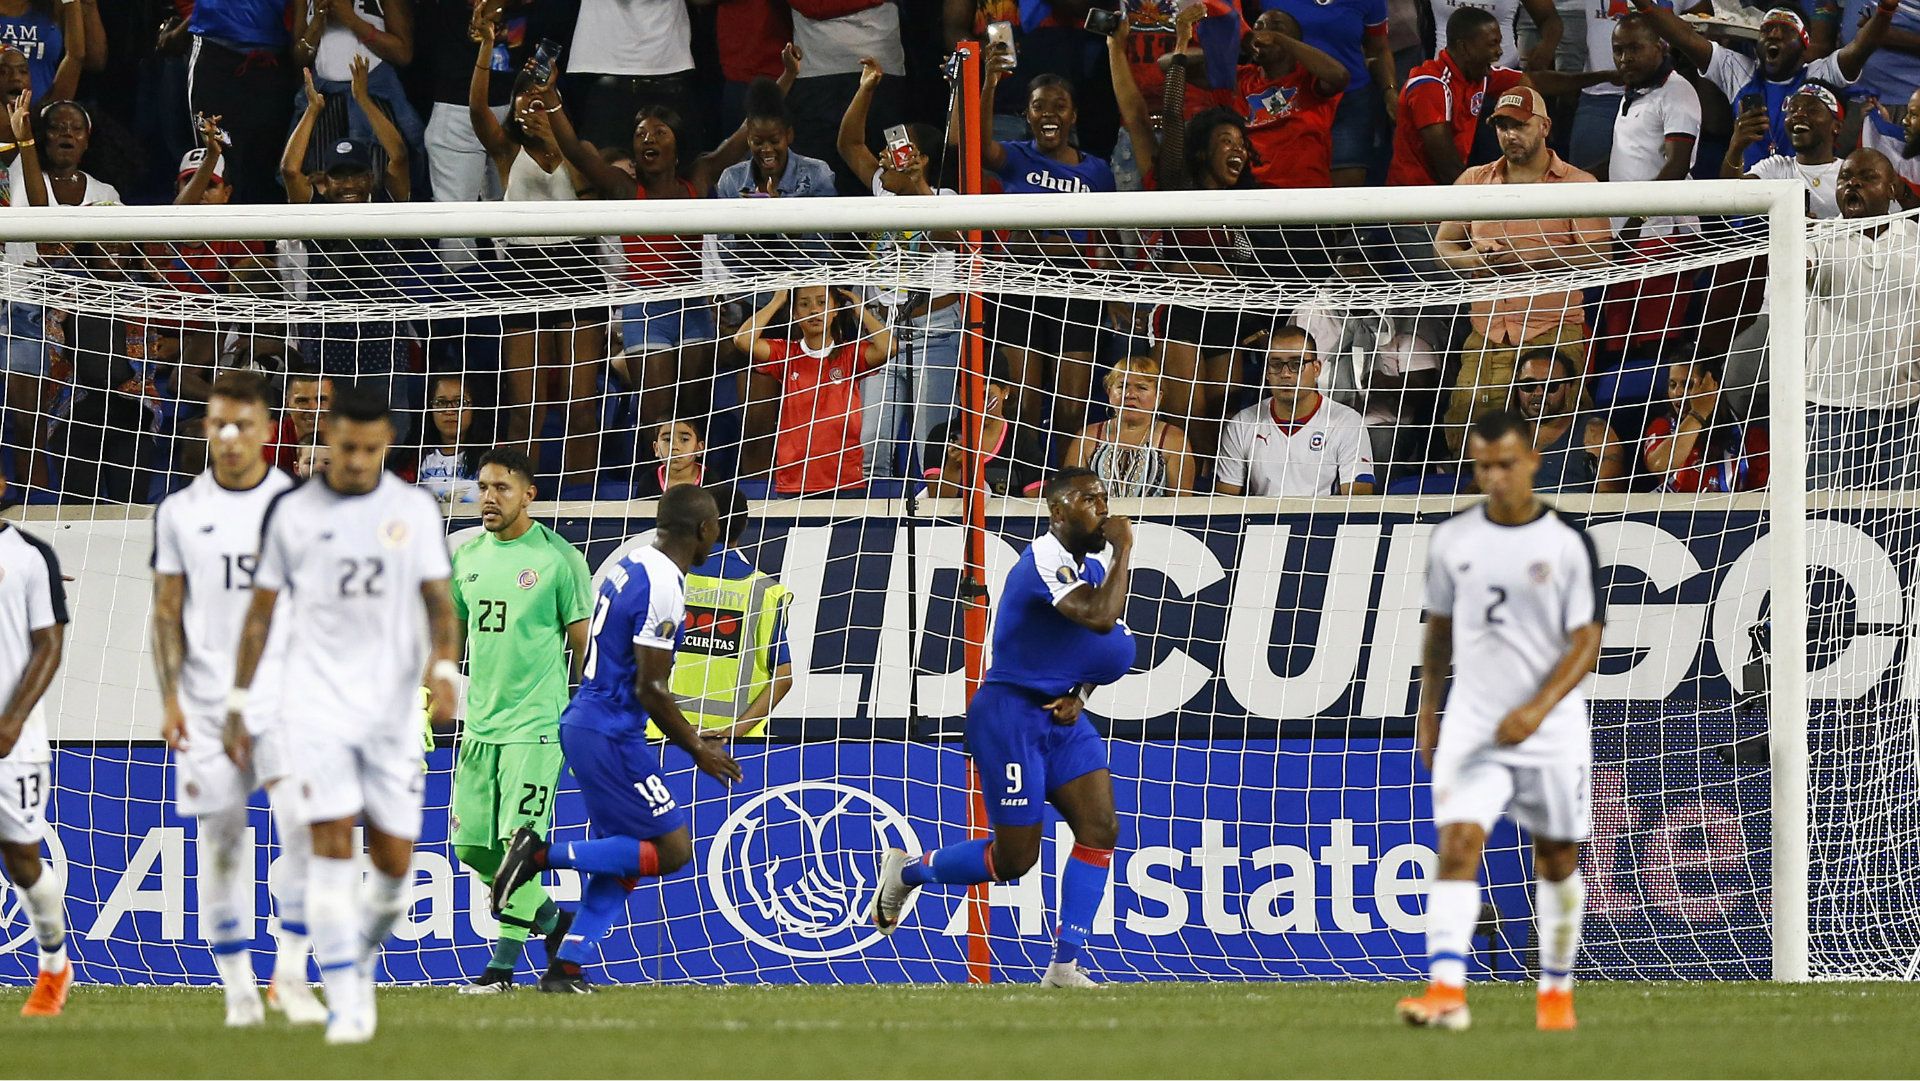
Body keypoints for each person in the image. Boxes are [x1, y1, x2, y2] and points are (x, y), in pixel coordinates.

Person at [228, 384, 460, 1044]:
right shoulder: (292, 512)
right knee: (328, 843)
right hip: (314, 705)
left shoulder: (412, 508)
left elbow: (440, 603)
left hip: (390, 709)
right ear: (327, 438)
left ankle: (356, 952)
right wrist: (242, 701)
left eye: (369, 449)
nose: (356, 460)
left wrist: (442, 668)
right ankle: (349, 994)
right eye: (346, 447)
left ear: (386, 444)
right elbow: (261, 611)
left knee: (393, 866)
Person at [869, 467, 1133, 988]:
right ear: (1059, 512)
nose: (1102, 507)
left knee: (1101, 829)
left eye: (1104, 497)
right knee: (1016, 860)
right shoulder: (1043, 560)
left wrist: (1079, 694)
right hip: (1010, 715)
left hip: (1060, 717)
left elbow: (1093, 648)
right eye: (1089, 499)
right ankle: (907, 872)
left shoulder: (1094, 563)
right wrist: (1127, 549)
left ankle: (1064, 968)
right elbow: (1101, 619)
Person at [1397, 408, 1605, 1033]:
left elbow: (1587, 642)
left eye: (1507, 465)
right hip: (1474, 723)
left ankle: (1555, 993)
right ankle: (1446, 992)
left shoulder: (1566, 543)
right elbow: (1439, 632)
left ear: (1532, 462)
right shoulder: (1453, 540)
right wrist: (1430, 710)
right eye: (1484, 466)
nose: (1495, 478)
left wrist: (1537, 709)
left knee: (1557, 856)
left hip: (1552, 728)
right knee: (1458, 845)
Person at [488, 483, 743, 993]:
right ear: (705, 529)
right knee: (672, 850)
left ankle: (567, 965)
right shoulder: (666, 584)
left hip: (589, 720)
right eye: (715, 523)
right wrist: (696, 748)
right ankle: (538, 856)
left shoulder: (631, 563)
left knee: (625, 854)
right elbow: (650, 688)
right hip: (611, 732)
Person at [149, 371, 328, 1028]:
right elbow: (166, 611)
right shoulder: (179, 512)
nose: (230, 436)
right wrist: (169, 695)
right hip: (202, 703)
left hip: (285, 697)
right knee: (221, 843)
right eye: (219, 424)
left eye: (244, 425)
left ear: (265, 430)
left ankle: (291, 970)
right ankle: (238, 988)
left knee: (307, 829)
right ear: (206, 429)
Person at [448, 446, 593, 992]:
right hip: (479, 725)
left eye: (501, 488)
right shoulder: (466, 557)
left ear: (528, 495)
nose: (488, 498)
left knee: (519, 850)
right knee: (471, 849)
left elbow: (585, 646)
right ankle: (557, 925)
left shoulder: (558, 559)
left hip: (535, 726)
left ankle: (500, 971)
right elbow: (450, 642)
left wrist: (591, 713)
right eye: (482, 487)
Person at [1434, 86, 1610, 454]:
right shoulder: (1474, 180)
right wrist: (1474, 258)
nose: (1509, 135)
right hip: (1487, 333)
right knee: (1468, 436)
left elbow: (1599, 255)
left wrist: (1533, 260)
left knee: (1557, 442)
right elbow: (1443, 246)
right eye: (1501, 126)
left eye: (1519, 125)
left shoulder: (1579, 184)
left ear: (1544, 127)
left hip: (1552, 331)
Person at [467, 21, 603, 483]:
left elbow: (592, 195)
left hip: (578, 267)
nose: (530, 103)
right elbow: (476, 109)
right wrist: (487, 47)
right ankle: (520, 494)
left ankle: (585, 504)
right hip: (523, 272)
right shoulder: (507, 150)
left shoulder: (578, 150)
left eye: (539, 96)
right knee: (527, 405)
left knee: (581, 403)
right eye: (524, 96)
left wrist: (554, 139)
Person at [973, 43, 1115, 437]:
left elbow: (1109, 237)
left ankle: (1066, 478)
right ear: (1027, 115)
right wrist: (990, 82)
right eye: (1038, 105)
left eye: (1059, 105)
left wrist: (1116, 290)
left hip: (1076, 286)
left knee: (1073, 403)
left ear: (1073, 115)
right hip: (1019, 282)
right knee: (1023, 398)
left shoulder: (1098, 171)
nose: (1049, 112)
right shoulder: (1016, 156)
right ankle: (1025, 479)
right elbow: (980, 145)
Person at [837, 57, 964, 480]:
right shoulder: (881, 190)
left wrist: (918, 188)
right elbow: (848, 145)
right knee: (871, 448)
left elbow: (953, 243)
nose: (887, 153)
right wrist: (867, 87)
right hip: (884, 329)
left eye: (900, 148)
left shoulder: (944, 196)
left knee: (933, 450)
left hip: (937, 329)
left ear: (921, 158)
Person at [1627, 0, 1892, 172]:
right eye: (1767, 29)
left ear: (1804, 45)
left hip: (1803, 201)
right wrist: (1646, 7)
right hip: (1748, 201)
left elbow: (1860, 48)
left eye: (1786, 30)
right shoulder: (1740, 71)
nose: (1774, 34)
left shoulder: (1820, 73)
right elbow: (1685, 36)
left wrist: (1885, 11)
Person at [1804, 147, 1920, 490]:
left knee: (1904, 530)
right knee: (1828, 528)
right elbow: (1796, 271)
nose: (1852, 183)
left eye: (1867, 177)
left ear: (1892, 190)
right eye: (1845, 177)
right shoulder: (1816, 239)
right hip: (1829, 411)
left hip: (1905, 411)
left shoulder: (1916, 242)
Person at [0, 471, 70, 1016]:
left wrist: (12, 720)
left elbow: (49, 645)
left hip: (13, 740)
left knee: (21, 859)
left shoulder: (29, 555)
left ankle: (53, 963)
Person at [662, 486, 794, 742]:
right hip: (738, 747)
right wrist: (731, 733)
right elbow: (784, 677)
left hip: (664, 739)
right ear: (743, 527)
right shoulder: (765, 591)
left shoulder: (667, 581)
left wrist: (681, 728)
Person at [735, 285, 895, 497]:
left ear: (835, 309)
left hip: (844, 480)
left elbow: (889, 348)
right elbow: (742, 340)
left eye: (822, 303)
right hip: (794, 481)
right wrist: (776, 302)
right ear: (794, 313)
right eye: (804, 304)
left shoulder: (849, 354)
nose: (814, 310)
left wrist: (860, 309)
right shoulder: (786, 353)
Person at [1215, 324, 1376, 496]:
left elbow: (1358, 503)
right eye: (1276, 364)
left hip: (1321, 521)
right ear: (1267, 372)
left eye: (1296, 364)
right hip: (1263, 520)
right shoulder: (1241, 424)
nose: (1285, 374)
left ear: (1316, 369)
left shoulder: (1347, 422)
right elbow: (1224, 501)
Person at [1255, 0, 1397, 187]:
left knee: (1347, 188)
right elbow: (1251, 36)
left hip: (1350, 99)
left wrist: (1390, 91)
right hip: (1289, 97)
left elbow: (1378, 48)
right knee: (1290, 174)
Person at [291, 0, 427, 194]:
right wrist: (317, 22)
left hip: (374, 96)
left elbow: (403, 53)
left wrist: (351, 20)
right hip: (324, 101)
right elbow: (299, 58)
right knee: (324, 184)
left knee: (376, 180)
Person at [187, 0, 299, 204]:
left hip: (273, 60)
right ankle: (214, 235)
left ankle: (264, 236)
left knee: (269, 159)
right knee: (216, 152)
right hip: (216, 54)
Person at [1234, 10, 1349, 190]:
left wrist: (1278, 39)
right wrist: (1233, 44)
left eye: (1276, 28)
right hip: (1252, 191)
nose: (1263, 34)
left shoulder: (1309, 77)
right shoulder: (1241, 77)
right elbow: (1180, 65)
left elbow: (1340, 76)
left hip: (1304, 191)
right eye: (1258, 28)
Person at [1061, 357, 1197, 496]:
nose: (1130, 394)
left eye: (1142, 388)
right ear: (1109, 393)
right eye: (1122, 386)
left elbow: (1182, 504)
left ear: (1158, 396)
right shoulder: (1086, 437)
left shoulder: (1174, 440)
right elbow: (1071, 497)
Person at [922, 362, 1050, 499]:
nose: (979, 405)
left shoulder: (1023, 443)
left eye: (986, 395)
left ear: (1005, 391)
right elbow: (937, 507)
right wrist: (953, 468)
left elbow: (1033, 509)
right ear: (960, 394)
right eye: (971, 395)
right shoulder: (941, 435)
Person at [1642, 357, 1770, 493]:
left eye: (1688, 385)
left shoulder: (1750, 437)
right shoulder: (1662, 426)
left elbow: (1760, 499)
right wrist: (1698, 414)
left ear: (1713, 387)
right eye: (1672, 385)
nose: (1677, 393)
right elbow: (1658, 464)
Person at [1511, 350, 1630, 493]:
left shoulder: (1594, 432)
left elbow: (1609, 500)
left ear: (1568, 388)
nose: (1539, 392)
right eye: (1528, 385)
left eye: (1551, 385)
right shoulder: (1501, 432)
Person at [1727, 82, 1844, 219]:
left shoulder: (1849, 172)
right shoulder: (1776, 168)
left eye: (1812, 110)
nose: (1798, 114)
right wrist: (1736, 148)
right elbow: (1730, 197)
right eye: (1792, 109)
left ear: (1836, 126)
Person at [406, 372, 489, 504]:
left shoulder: (494, 455)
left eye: (459, 402)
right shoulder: (414, 459)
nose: (449, 411)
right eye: (440, 403)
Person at [270, 368, 333, 474]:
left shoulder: (351, 436)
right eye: (302, 401)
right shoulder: (270, 437)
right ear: (287, 404)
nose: (313, 409)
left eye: (321, 399)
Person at [636, 415, 707, 498]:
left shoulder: (710, 480)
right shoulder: (648, 481)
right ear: (656, 448)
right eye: (667, 439)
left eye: (684, 439)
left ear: (700, 448)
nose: (674, 447)